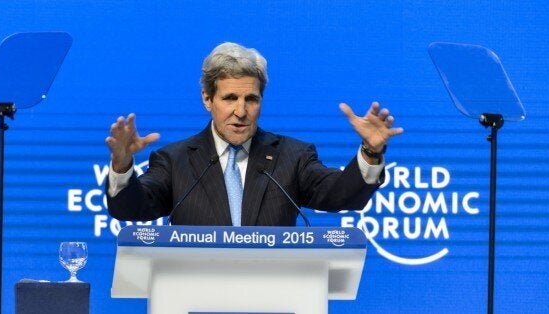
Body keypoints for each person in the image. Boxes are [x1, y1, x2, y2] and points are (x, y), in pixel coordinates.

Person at [105, 42, 403, 226]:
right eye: (230, 98)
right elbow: (132, 209)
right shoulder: (175, 160)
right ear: (207, 99)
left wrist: (370, 151)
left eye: (251, 99)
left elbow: (340, 195)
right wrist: (121, 166)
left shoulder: (292, 156)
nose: (241, 111)